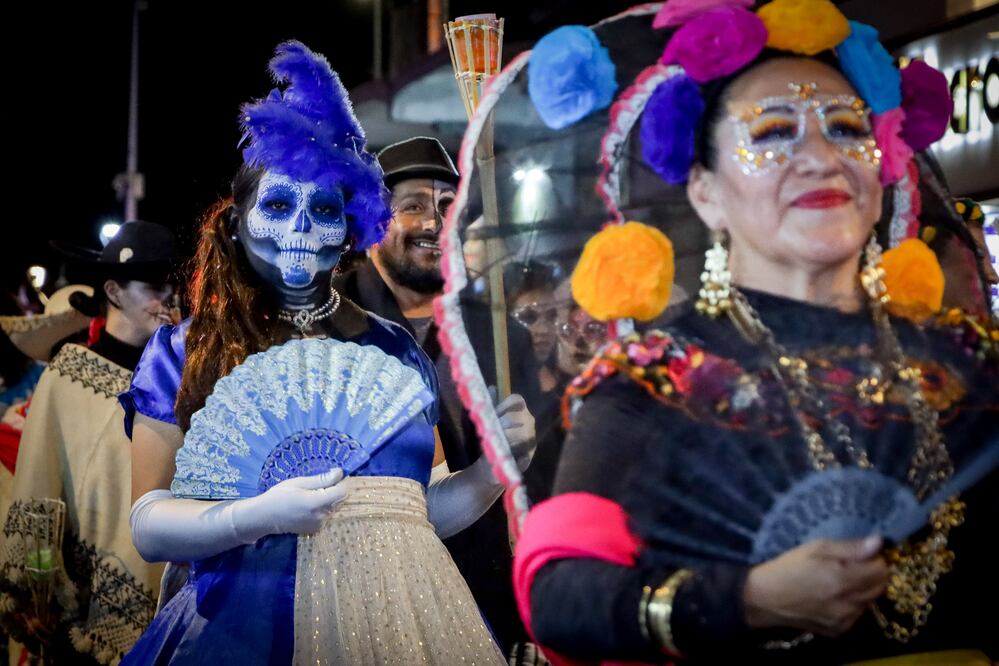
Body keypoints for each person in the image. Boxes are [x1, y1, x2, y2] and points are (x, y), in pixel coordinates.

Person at [513, 3, 998, 664]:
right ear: (705, 192)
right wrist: (744, 598)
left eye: (846, 129)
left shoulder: (965, 363)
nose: (820, 158)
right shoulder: (658, 378)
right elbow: (559, 599)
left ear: (881, 176)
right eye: (773, 133)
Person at [120, 42, 506, 664]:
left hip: (395, 623)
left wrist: (492, 475)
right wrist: (254, 517)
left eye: (324, 209)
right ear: (238, 221)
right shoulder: (184, 350)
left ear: (351, 225)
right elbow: (147, 526)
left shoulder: (389, 349)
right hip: (241, 627)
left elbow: (420, 511)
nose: (301, 226)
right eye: (277, 204)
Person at [336, 135, 539, 654]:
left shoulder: (502, 335)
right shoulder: (332, 325)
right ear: (373, 220)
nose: (433, 223)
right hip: (361, 598)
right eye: (413, 207)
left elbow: (532, 481)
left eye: (447, 207)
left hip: (482, 597)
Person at [0, 221, 180, 664]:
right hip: (78, 616)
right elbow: (40, 484)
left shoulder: (181, 380)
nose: (170, 298)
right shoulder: (68, 372)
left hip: (163, 595)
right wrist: (36, 589)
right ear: (115, 291)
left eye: (173, 284)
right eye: (155, 284)